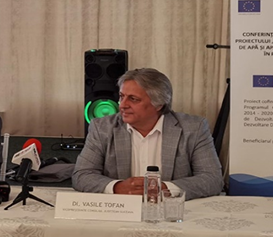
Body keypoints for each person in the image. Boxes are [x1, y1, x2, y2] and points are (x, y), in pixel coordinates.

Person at [72, 68, 223, 199]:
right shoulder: (102, 128)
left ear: (158, 104)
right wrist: (117, 187)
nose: (122, 105)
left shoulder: (194, 128)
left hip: (170, 211)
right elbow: (81, 175)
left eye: (133, 99)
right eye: (121, 96)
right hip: (121, 212)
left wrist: (165, 189)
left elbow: (213, 179)